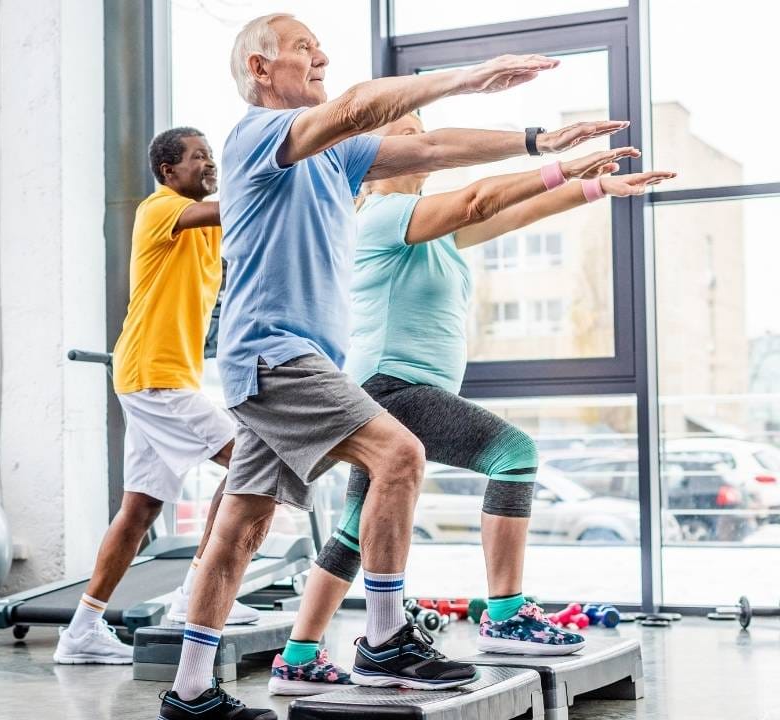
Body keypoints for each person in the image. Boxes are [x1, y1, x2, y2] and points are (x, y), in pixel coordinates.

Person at [157, 13, 629, 720]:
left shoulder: (336, 159)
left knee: (243, 527)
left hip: (289, 360)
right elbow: (354, 107)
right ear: (259, 69)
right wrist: (471, 76)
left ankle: (190, 691)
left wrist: (540, 143)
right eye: (302, 49)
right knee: (399, 455)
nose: (321, 57)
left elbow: (434, 146)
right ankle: (383, 640)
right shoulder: (256, 133)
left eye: (321, 47)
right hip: (276, 354)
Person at [267, 111, 674, 695]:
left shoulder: (427, 228)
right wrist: (558, 162)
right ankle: (505, 614)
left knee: (358, 529)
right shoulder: (381, 215)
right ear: (372, 157)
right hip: (391, 386)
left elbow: (515, 211)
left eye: (420, 129)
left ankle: (298, 657)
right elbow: (480, 199)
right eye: (403, 133)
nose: (418, 139)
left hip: (397, 387)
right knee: (513, 455)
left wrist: (598, 187)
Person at [54, 126, 261, 666]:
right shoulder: (159, 208)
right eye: (199, 158)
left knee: (140, 508)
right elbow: (228, 205)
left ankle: (82, 630)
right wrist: (257, 174)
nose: (209, 164)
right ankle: (195, 594)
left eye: (212, 156)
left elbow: (250, 226)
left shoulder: (209, 228)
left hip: (161, 376)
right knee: (251, 466)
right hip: (154, 373)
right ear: (169, 171)